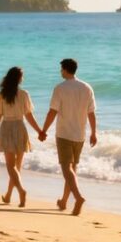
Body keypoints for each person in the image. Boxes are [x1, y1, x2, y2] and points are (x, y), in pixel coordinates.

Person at [37, 58, 97, 216]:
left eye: (61, 69)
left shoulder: (60, 88)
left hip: (64, 134)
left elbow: (52, 111)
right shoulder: (87, 88)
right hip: (80, 134)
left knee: (66, 169)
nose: (60, 72)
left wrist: (43, 130)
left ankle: (78, 198)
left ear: (65, 69)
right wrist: (93, 133)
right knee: (72, 170)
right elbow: (91, 113)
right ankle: (64, 201)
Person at [0, 66, 43, 207]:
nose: (23, 78)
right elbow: (29, 115)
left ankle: (20, 191)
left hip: (7, 128)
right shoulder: (24, 94)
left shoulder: (2, 94)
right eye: (22, 76)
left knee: (11, 166)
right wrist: (39, 131)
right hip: (20, 127)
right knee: (16, 167)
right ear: (19, 78)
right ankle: (8, 196)